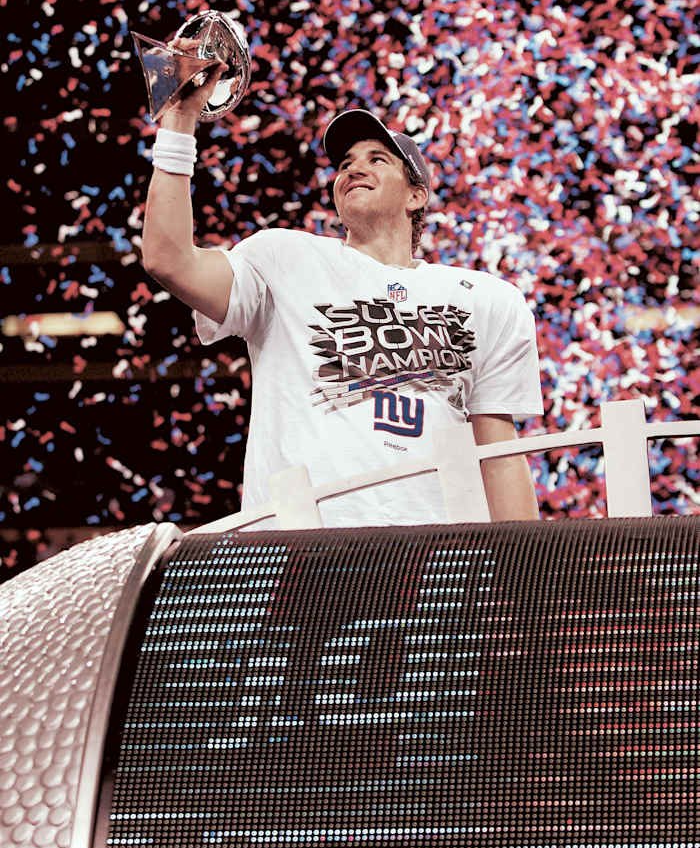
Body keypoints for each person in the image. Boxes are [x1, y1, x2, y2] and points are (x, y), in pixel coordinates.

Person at [142, 58, 543, 526]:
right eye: (345, 164)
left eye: (377, 159)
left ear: (416, 196)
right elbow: (168, 260)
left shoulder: (487, 299)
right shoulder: (284, 259)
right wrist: (178, 122)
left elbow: (500, 453)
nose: (354, 169)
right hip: (301, 559)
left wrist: (524, 581)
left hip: (436, 562)